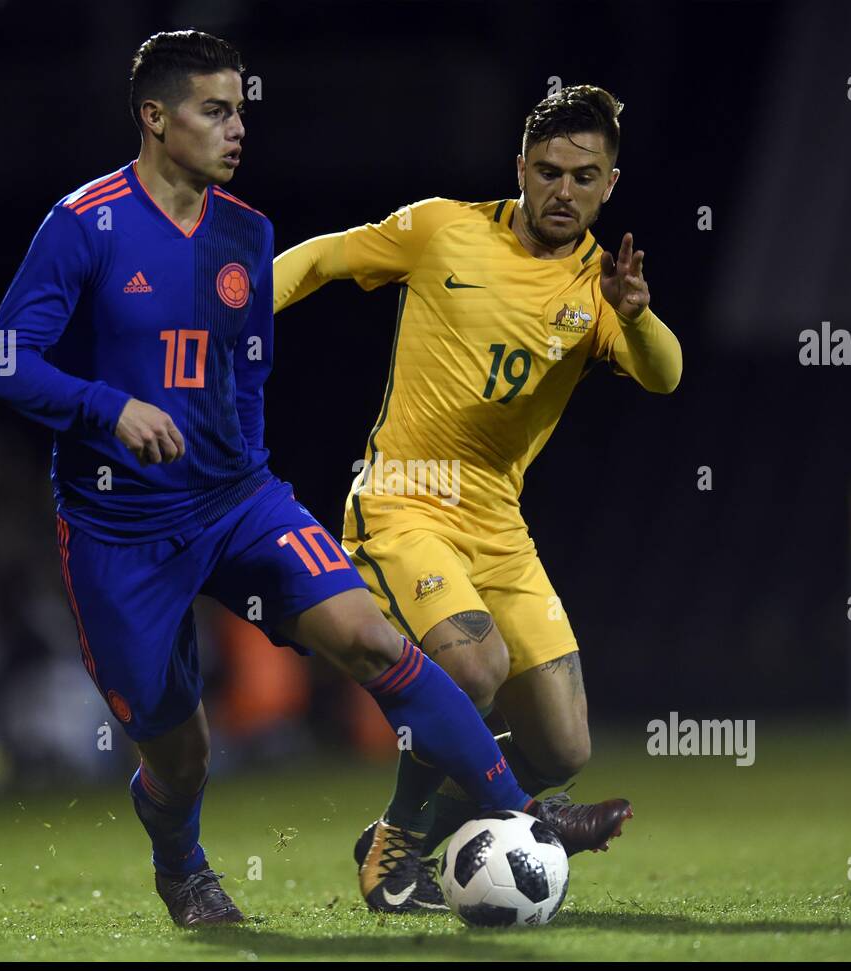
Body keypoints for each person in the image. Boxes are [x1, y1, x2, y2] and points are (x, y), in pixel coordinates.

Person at [0, 32, 632, 926]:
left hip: (237, 501)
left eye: (241, 109)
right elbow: (1, 361)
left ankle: (519, 814)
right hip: (119, 530)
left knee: (372, 637)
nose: (237, 127)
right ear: (156, 118)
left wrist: (252, 486)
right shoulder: (84, 223)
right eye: (216, 110)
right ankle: (183, 866)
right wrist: (108, 409)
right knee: (182, 755)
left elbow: (244, 384)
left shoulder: (247, 234)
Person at [274, 85, 678, 911]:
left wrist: (634, 316)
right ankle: (398, 843)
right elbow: (320, 259)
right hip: (405, 501)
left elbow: (664, 374)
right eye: (549, 171)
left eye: (584, 176)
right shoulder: (441, 229)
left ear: (611, 183)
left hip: (497, 521)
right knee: (473, 668)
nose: (563, 190)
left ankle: (454, 822)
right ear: (520, 170)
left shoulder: (602, 288)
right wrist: (227, 314)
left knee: (563, 744)